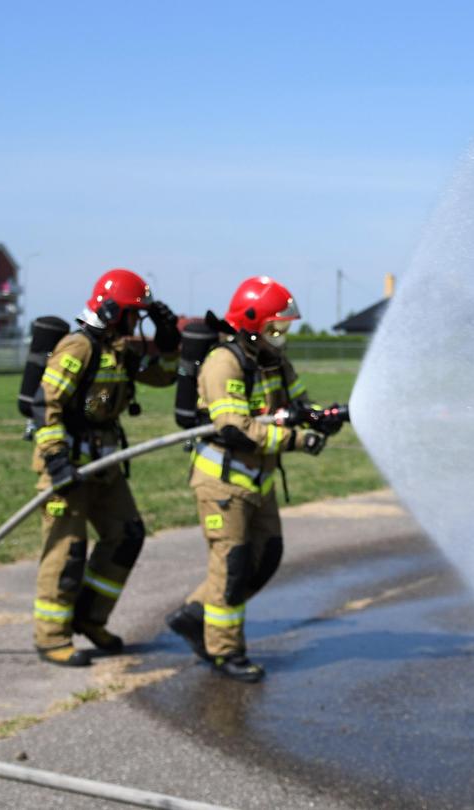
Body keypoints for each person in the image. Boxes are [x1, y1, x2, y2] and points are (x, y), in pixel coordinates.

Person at [165, 276, 335, 683]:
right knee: (234, 564)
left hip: (259, 479)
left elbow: (299, 404)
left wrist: (324, 418)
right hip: (223, 483)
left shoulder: (273, 359)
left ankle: (195, 615)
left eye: (285, 327)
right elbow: (234, 429)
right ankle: (224, 651)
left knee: (267, 556)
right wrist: (297, 439)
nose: (282, 335)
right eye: (276, 327)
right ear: (251, 323)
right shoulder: (224, 362)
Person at [30, 268, 180, 667]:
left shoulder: (121, 353)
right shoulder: (78, 347)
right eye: (135, 315)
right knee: (68, 551)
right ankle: (51, 637)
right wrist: (56, 459)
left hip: (104, 466)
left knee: (126, 535)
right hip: (67, 467)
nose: (137, 323)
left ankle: (90, 618)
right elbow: (45, 405)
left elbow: (169, 377)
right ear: (115, 312)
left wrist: (169, 344)